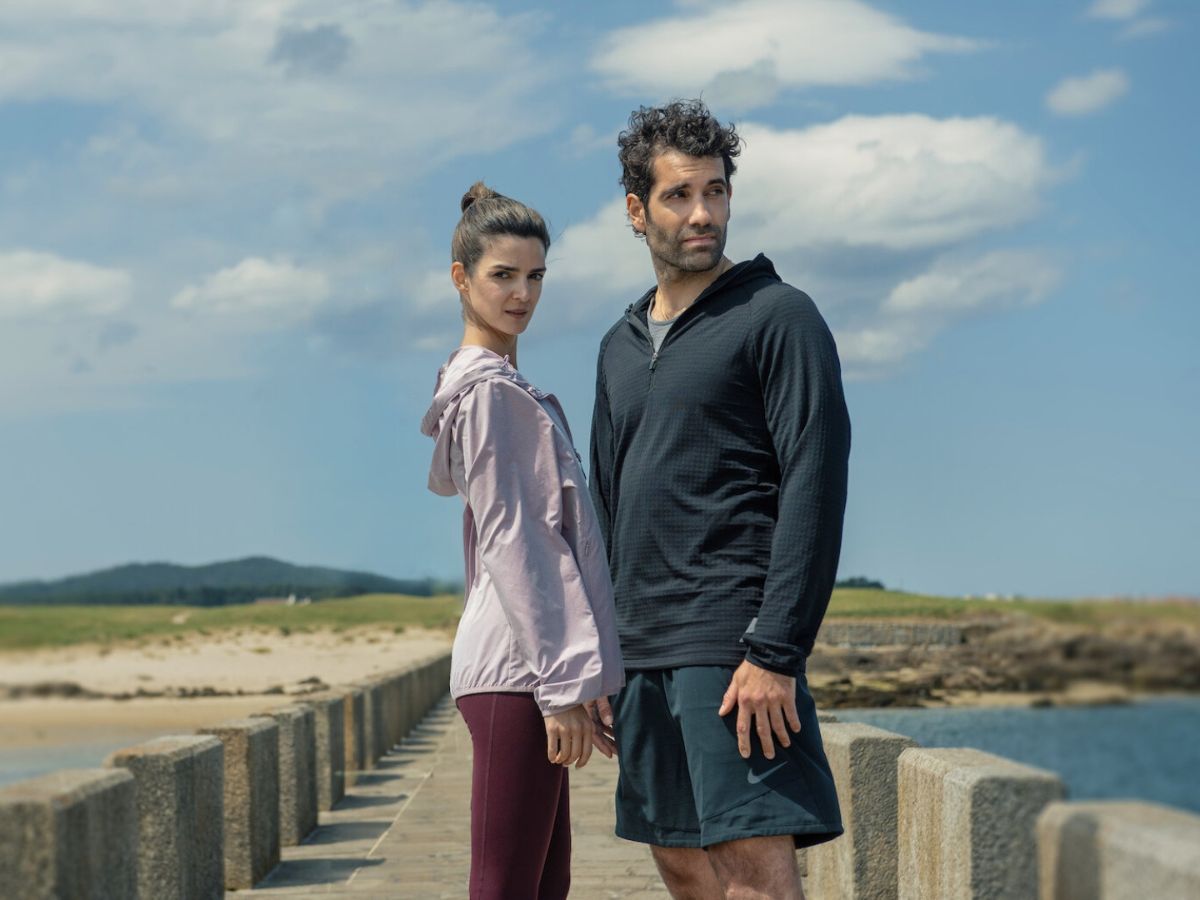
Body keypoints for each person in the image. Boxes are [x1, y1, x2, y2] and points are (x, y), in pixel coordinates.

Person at [588, 100, 851, 898]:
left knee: (752, 870)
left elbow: (816, 477)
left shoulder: (778, 315)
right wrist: (600, 654)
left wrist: (777, 649)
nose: (702, 212)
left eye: (716, 190)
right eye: (678, 195)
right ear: (637, 210)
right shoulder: (618, 345)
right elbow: (605, 504)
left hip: (732, 646)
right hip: (640, 651)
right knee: (679, 862)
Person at [421, 182, 624, 900]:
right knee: (507, 886)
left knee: (544, 885)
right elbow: (517, 545)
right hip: (519, 673)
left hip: (525, 668)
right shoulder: (493, 397)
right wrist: (567, 683)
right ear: (461, 278)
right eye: (502, 275)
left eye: (535, 275)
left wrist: (585, 678)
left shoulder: (501, 390)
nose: (522, 294)